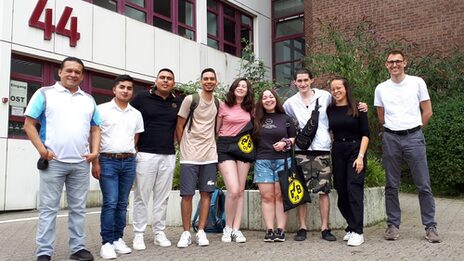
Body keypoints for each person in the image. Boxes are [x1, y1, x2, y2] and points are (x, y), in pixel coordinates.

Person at [24, 57, 101, 261]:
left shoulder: (89, 99)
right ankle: (44, 252)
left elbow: (95, 128)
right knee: (49, 209)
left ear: (82, 75)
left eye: (77, 72)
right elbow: (28, 124)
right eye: (69, 70)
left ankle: (77, 249)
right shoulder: (44, 94)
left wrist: (94, 153)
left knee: (78, 209)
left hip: (80, 163)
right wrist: (42, 150)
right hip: (53, 162)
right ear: (60, 72)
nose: (73, 74)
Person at [374, 50, 441, 243]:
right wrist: (395, 128)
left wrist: (416, 128)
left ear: (405, 63)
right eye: (391, 62)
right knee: (391, 185)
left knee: (423, 185)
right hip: (391, 138)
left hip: (413, 137)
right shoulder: (381, 88)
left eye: (398, 61)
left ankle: (430, 227)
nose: (394, 65)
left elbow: (427, 111)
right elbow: (381, 116)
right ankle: (393, 225)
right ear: (386, 65)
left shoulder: (417, 82)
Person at [92, 75, 144, 259]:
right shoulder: (101, 110)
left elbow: (135, 139)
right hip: (107, 161)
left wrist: (131, 155)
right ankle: (106, 242)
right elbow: (93, 137)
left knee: (122, 203)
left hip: (129, 161)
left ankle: (117, 239)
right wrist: (95, 161)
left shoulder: (136, 114)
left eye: (129, 88)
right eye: (122, 87)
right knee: (111, 202)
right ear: (114, 89)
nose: (125, 90)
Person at [130, 68, 183, 250]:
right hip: (145, 154)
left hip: (168, 154)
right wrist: (133, 148)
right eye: (162, 78)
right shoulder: (141, 98)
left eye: (169, 78)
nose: (166, 81)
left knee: (162, 197)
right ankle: (138, 234)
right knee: (141, 196)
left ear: (173, 83)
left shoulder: (178, 101)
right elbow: (131, 122)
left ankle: (159, 232)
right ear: (156, 80)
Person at [283, 68, 337, 242]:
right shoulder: (290, 103)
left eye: (306, 80)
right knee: (301, 190)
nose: (303, 84)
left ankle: (325, 228)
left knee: (324, 191)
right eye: (299, 81)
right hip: (301, 150)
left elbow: (340, 108)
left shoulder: (325, 96)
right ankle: (302, 228)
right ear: (295, 82)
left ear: (312, 80)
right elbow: (285, 121)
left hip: (322, 149)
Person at [175, 68, 219, 248]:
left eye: (212, 79)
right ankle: (186, 233)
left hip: (209, 155)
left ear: (216, 82)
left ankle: (201, 231)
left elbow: (217, 128)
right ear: (201, 81)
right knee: (187, 194)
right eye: (206, 78)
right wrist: (183, 147)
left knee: (206, 194)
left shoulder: (218, 102)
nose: (209, 81)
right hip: (190, 155)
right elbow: (179, 125)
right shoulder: (190, 99)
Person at [327, 77, 370, 246]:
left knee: (354, 190)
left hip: (355, 150)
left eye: (339, 88)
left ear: (346, 88)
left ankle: (358, 232)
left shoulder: (358, 107)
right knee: (341, 191)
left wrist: (360, 157)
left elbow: (366, 134)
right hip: (338, 150)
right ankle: (351, 227)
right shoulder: (329, 109)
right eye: (333, 89)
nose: (336, 91)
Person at [253, 89, 296, 242]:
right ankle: (269, 230)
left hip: (283, 161)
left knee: (280, 196)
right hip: (262, 161)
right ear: (261, 102)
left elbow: (293, 138)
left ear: (275, 99)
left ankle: (280, 230)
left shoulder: (285, 118)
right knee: (267, 197)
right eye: (264, 97)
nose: (268, 100)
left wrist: (285, 142)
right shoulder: (256, 119)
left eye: (271, 97)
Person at [216, 78, 254, 243]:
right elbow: (216, 130)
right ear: (233, 88)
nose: (241, 88)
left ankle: (236, 229)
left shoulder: (250, 108)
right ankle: (227, 227)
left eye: (244, 86)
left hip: (244, 146)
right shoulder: (223, 105)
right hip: (225, 145)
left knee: (240, 190)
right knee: (232, 189)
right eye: (238, 85)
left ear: (247, 91)